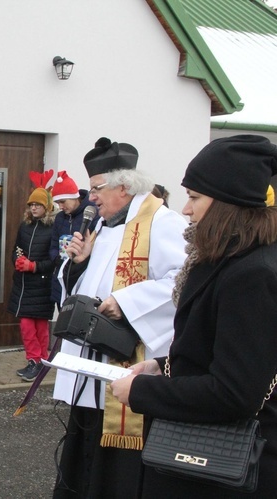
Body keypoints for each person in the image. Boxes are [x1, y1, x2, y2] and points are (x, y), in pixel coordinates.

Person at [111, 135, 277, 498]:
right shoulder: (224, 262)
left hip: (224, 471)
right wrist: (161, 366)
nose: (186, 209)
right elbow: (214, 350)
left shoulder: (252, 275)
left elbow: (234, 391)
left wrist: (143, 391)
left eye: (195, 197)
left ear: (228, 203)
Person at [52, 137, 188, 498]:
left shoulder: (162, 222)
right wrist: (76, 267)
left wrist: (125, 300)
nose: (90, 197)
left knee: (118, 462)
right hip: (92, 355)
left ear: (124, 186)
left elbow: (183, 279)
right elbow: (85, 282)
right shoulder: (103, 226)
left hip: (129, 355)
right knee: (85, 440)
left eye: (96, 189)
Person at [7, 172, 56, 382]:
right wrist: (17, 261)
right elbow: (16, 248)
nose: (33, 208)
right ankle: (34, 359)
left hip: (42, 284)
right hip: (24, 284)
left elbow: (54, 259)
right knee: (26, 325)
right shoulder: (24, 225)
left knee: (41, 326)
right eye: (31, 204)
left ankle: (41, 360)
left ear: (46, 206)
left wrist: (34, 266)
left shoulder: (53, 228)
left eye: (37, 204)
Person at [48, 170, 98, 309]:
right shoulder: (59, 218)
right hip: (62, 276)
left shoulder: (93, 213)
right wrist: (57, 260)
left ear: (75, 196)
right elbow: (53, 245)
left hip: (83, 276)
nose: (60, 206)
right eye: (57, 203)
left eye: (63, 201)